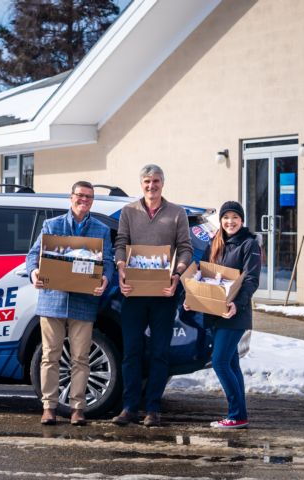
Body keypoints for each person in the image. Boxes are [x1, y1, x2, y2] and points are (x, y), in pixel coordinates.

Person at [26, 181, 114, 426]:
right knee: (49, 356)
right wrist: (34, 273)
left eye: (89, 197)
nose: (84, 200)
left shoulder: (100, 229)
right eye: (80, 196)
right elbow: (33, 255)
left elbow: (106, 260)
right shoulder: (52, 225)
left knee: (80, 358)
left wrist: (105, 278)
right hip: (52, 299)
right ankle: (49, 407)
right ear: (71, 197)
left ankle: (77, 408)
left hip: (83, 301)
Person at [112, 164, 193, 427]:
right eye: (147, 181)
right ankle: (129, 407)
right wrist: (122, 270)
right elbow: (121, 243)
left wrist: (177, 275)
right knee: (131, 352)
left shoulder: (177, 213)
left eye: (156, 181)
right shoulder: (129, 211)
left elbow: (185, 249)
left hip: (163, 293)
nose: (151, 185)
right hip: (134, 292)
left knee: (160, 353)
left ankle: (153, 409)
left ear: (162, 183)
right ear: (141, 184)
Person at [185, 200, 261, 429]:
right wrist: (193, 298)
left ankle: (236, 414)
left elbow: (251, 280)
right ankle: (240, 415)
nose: (230, 222)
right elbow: (205, 276)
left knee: (219, 362)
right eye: (226, 218)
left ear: (242, 220)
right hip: (215, 312)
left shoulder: (249, 244)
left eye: (235, 217)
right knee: (231, 363)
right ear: (221, 221)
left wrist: (237, 303)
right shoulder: (215, 242)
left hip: (234, 314)